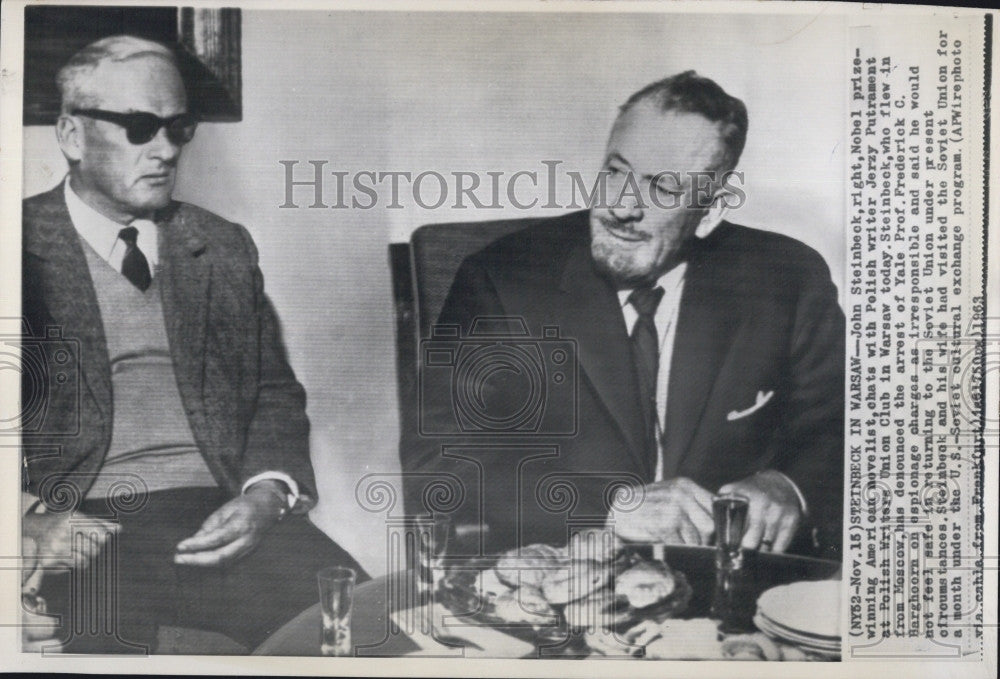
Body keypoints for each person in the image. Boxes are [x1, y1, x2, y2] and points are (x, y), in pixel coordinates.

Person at [403, 71, 844, 560]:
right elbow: (439, 463)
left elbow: (842, 428)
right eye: (616, 171)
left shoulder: (787, 279)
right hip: (569, 582)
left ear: (711, 211)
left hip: (728, 590)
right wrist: (613, 507)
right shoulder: (502, 280)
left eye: (662, 189)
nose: (620, 207)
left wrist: (789, 485)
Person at [20, 35, 365, 653]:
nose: (165, 151)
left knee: (368, 631)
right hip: (87, 527)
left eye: (179, 128)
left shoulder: (222, 245)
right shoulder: (13, 245)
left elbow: (272, 392)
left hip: (222, 513)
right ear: (71, 136)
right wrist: (27, 519)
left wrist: (265, 495)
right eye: (140, 127)